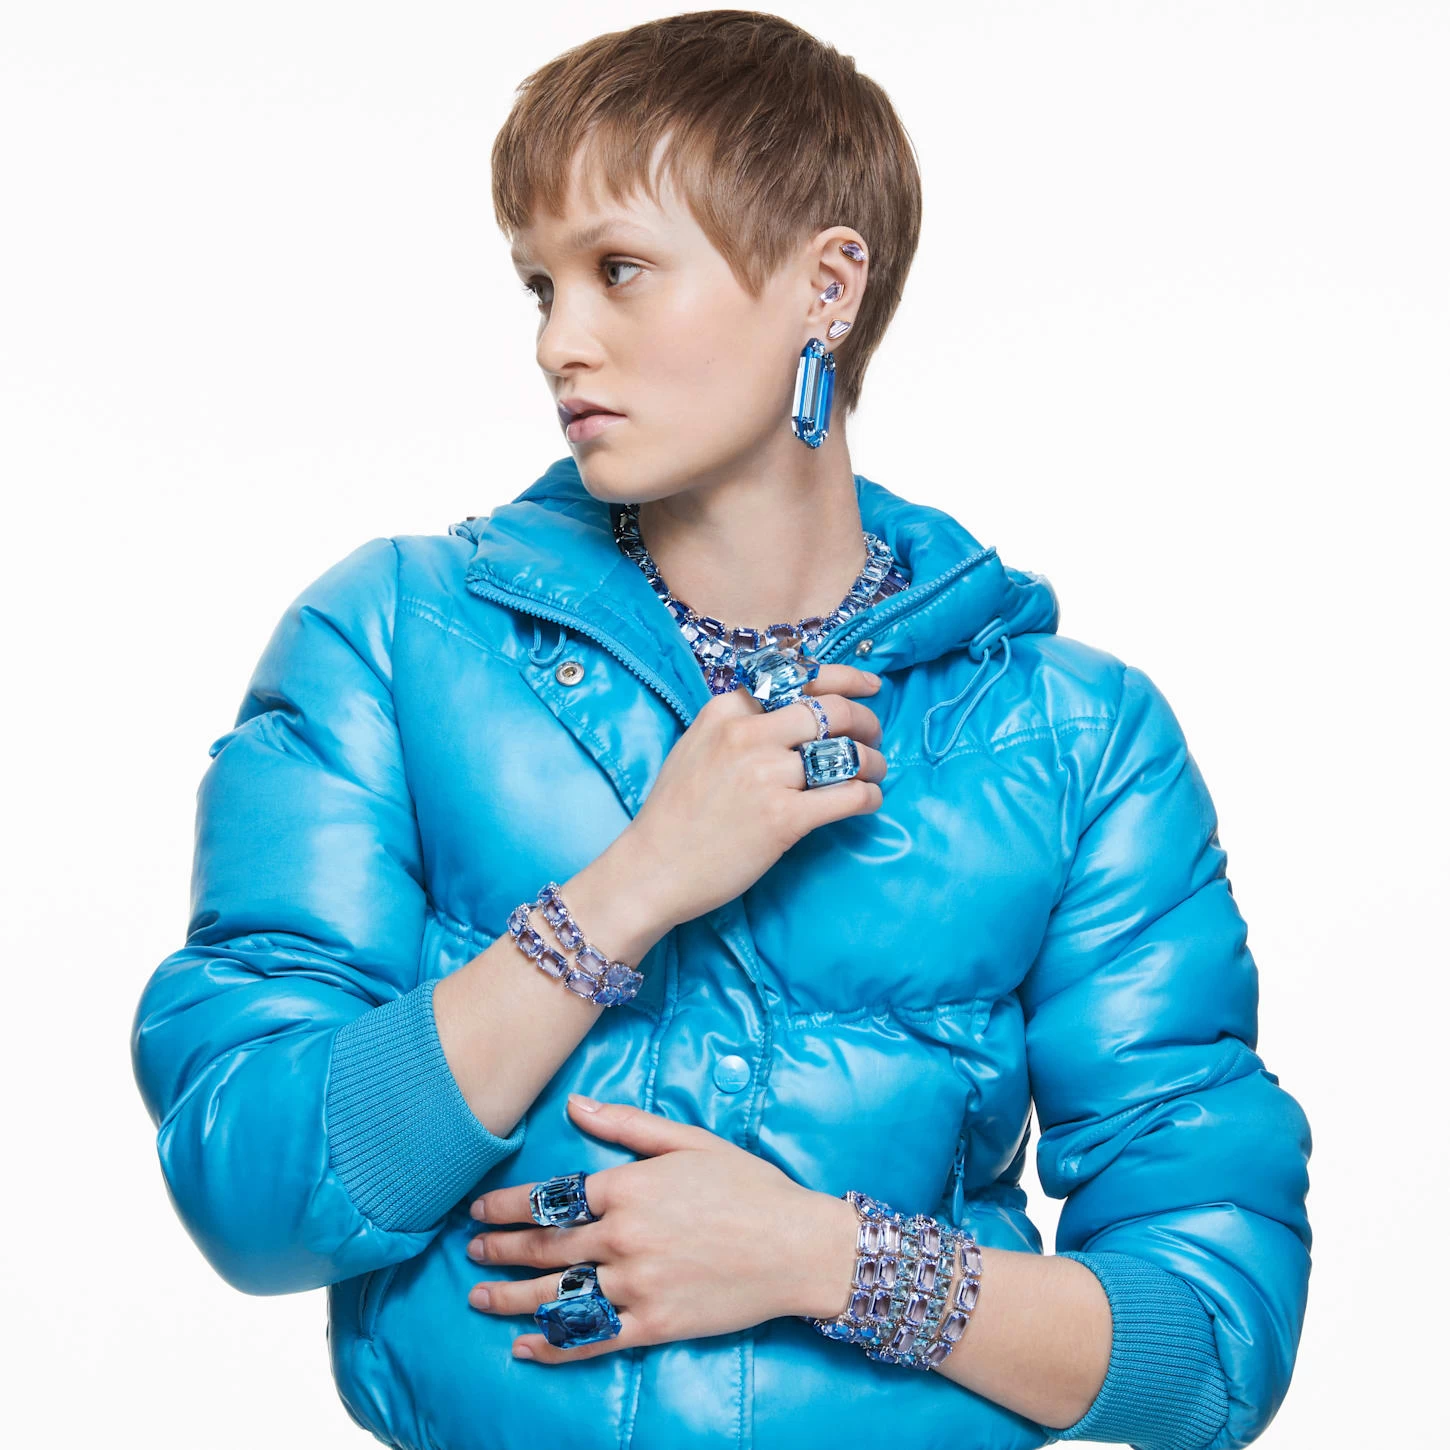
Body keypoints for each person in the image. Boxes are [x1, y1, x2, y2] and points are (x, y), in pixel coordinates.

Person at [129, 11, 1312, 1450]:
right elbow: (248, 1190)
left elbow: (1213, 1349)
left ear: (827, 284)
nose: (560, 341)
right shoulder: (392, 637)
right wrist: (630, 888)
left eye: (618, 270)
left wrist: (824, 1259)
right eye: (539, 284)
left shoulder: (1072, 737)